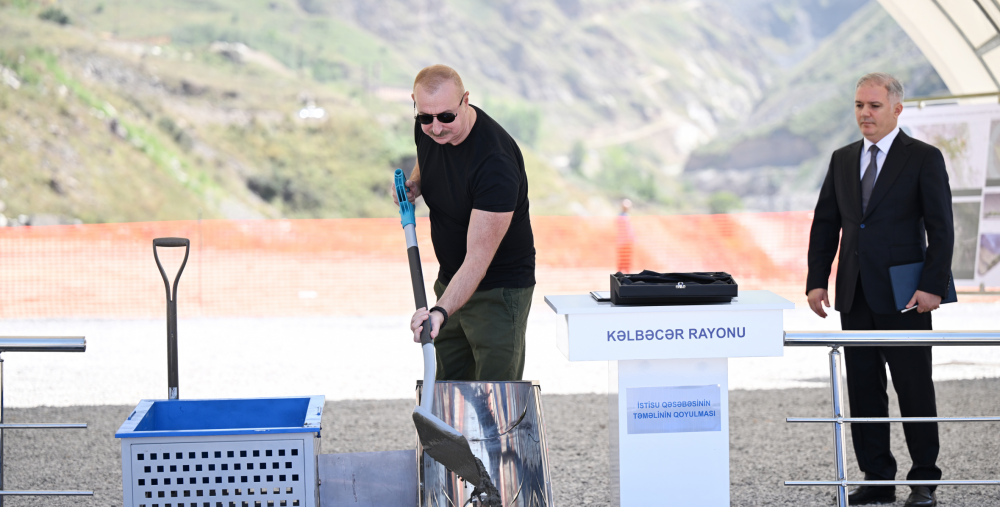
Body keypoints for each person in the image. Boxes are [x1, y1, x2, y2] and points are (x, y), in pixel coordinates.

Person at [806, 72, 954, 507]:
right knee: (865, 390)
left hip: (906, 296)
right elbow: (826, 225)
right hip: (854, 293)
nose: (864, 114)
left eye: (872, 106)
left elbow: (942, 228)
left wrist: (932, 287)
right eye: (858, 106)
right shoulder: (842, 158)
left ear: (896, 109)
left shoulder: (924, 158)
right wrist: (817, 280)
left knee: (913, 387)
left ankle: (924, 480)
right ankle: (877, 478)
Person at [395, 64, 535, 381]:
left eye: (446, 117)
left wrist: (440, 311)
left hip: (497, 289)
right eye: (425, 117)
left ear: (465, 100)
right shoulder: (430, 127)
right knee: (447, 387)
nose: (436, 127)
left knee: (495, 394)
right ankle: (450, 433)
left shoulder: (494, 163)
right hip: (450, 281)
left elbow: (478, 259)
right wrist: (416, 183)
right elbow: (429, 155)